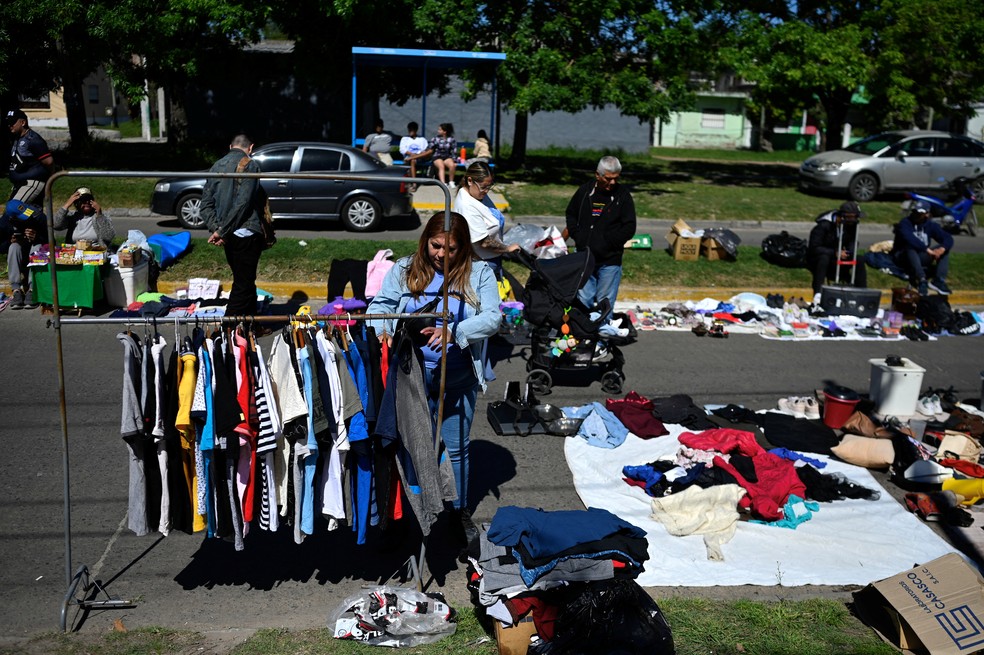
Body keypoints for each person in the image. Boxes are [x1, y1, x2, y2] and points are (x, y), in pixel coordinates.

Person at [366, 212, 501, 550]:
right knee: (409, 445)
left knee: (455, 448)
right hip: (409, 377)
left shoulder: (479, 272)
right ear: (425, 241)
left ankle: (457, 511)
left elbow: (493, 317)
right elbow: (380, 306)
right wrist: (382, 331)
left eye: (452, 248)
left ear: (464, 247)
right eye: (436, 245)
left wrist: (456, 331)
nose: (442, 254)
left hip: (457, 377)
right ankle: (405, 512)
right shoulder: (405, 269)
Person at [564, 156, 636, 325]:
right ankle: (583, 333)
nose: (612, 183)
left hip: (610, 260)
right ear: (598, 175)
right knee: (584, 299)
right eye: (608, 178)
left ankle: (603, 338)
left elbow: (629, 227)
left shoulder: (623, 196)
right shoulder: (584, 191)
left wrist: (610, 242)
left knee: (605, 301)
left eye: (616, 179)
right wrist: (578, 235)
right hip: (585, 257)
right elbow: (571, 214)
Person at [199, 134, 266, 316]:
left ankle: (252, 324)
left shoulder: (216, 166)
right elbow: (243, 204)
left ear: (230, 146)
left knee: (244, 279)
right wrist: (222, 231)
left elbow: (205, 205)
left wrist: (217, 229)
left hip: (229, 236)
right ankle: (227, 328)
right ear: (250, 147)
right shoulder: (250, 165)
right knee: (243, 284)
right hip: (245, 232)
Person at [453, 161, 518, 277]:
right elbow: (483, 242)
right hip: (480, 264)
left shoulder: (477, 194)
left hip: (490, 259)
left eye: (489, 186)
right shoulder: (467, 206)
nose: (487, 191)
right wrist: (507, 249)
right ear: (469, 181)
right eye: (483, 187)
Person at [807, 201, 868, 299]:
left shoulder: (851, 226)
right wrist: (835, 253)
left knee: (859, 259)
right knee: (824, 258)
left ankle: (862, 293)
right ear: (843, 216)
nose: (853, 221)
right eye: (851, 218)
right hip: (822, 258)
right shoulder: (823, 226)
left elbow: (852, 242)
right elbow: (814, 248)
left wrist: (849, 252)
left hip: (838, 257)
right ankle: (818, 293)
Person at [892, 199, 954, 296]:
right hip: (903, 257)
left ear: (927, 214)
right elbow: (909, 239)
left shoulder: (930, 225)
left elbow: (948, 238)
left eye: (919, 213)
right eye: (914, 211)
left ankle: (938, 281)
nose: (916, 214)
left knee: (944, 249)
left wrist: (942, 249)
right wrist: (926, 249)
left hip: (920, 257)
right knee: (910, 247)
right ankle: (922, 280)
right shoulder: (905, 223)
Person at [1, 199, 48, 309]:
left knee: (37, 247)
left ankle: (32, 289)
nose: (26, 218)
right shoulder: (4, 222)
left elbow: (51, 242)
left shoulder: (37, 216)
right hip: (19, 255)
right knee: (13, 247)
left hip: (37, 253)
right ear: (12, 218)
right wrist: (9, 242)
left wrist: (37, 237)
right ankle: (16, 289)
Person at [7, 109, 54, 204]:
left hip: (32, 183)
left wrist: (49, 181)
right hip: (20, 184)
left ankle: (40, 218)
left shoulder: (33, 139)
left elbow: (49, 162)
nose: (9, 125)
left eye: (12, 122)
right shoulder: (16, 137)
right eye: (8, 122)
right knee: (19, 214)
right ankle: (36, 215)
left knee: (13, 209)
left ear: (23, 122)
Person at [408, 123, 457, 187]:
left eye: (440, 130)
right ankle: (443, 183)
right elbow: (429, 149)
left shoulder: (451, 139)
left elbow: (454, 151)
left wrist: (454, 160)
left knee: (452, 165)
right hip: (437, 156)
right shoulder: (435, 139)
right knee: (441, 166)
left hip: (447, 156)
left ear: (444, 131)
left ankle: (451, 181)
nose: (438, 131)